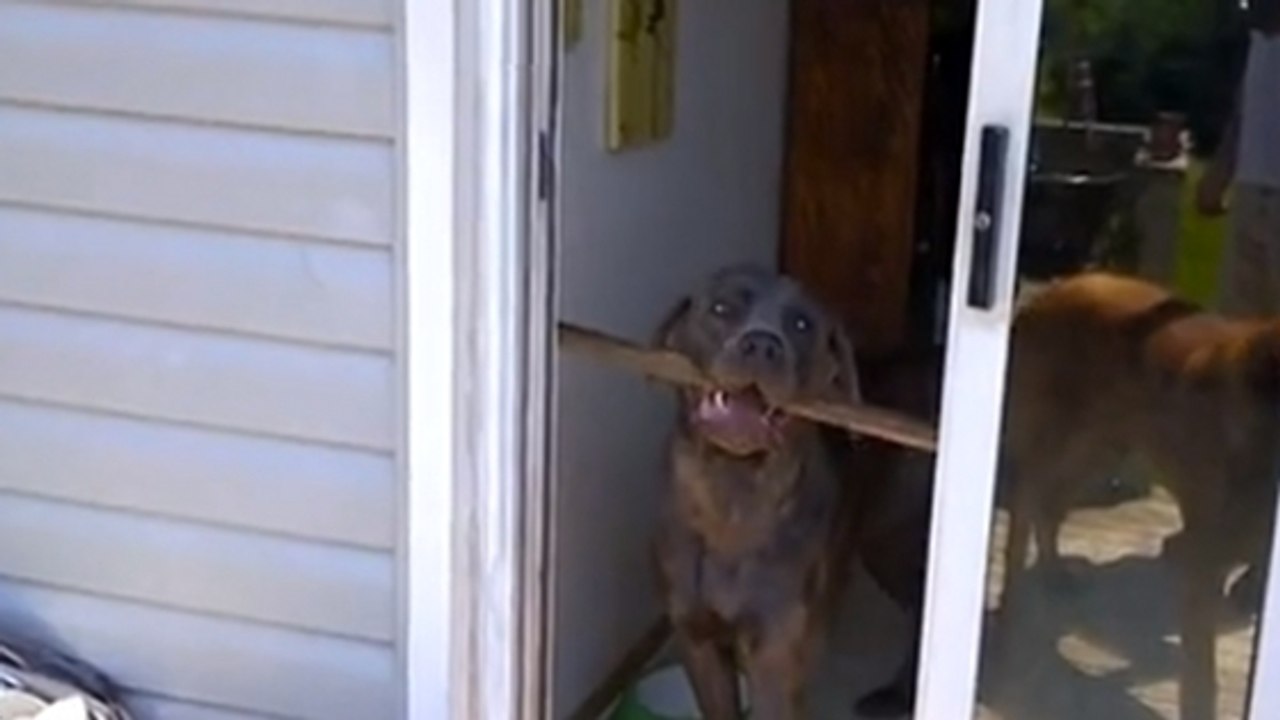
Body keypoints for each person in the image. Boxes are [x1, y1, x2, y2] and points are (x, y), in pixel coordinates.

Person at [1197, 0, 1280, 315]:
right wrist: (1220, 171)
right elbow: (1245, 107)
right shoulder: (1261, 40)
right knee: (1238, 322)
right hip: (1251, 191)